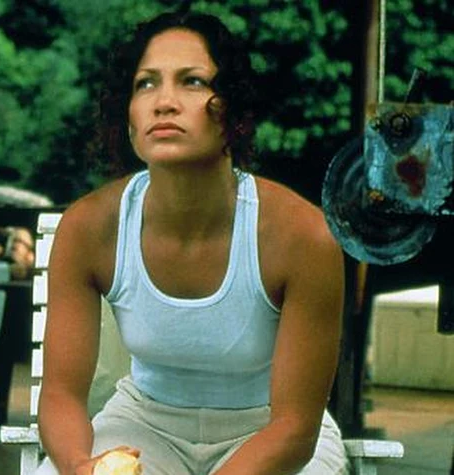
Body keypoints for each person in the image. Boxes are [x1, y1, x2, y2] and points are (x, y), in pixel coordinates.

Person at [36, 12, 348, 475]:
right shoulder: (89, 228)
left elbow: (294, 428)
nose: (164, 102)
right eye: (145, 84)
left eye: (193, 82)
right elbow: (61, 394)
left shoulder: (302, 236)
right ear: (127, 116)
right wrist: (81, 465)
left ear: (235, 113)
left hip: (269, 433)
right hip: (144, 424)